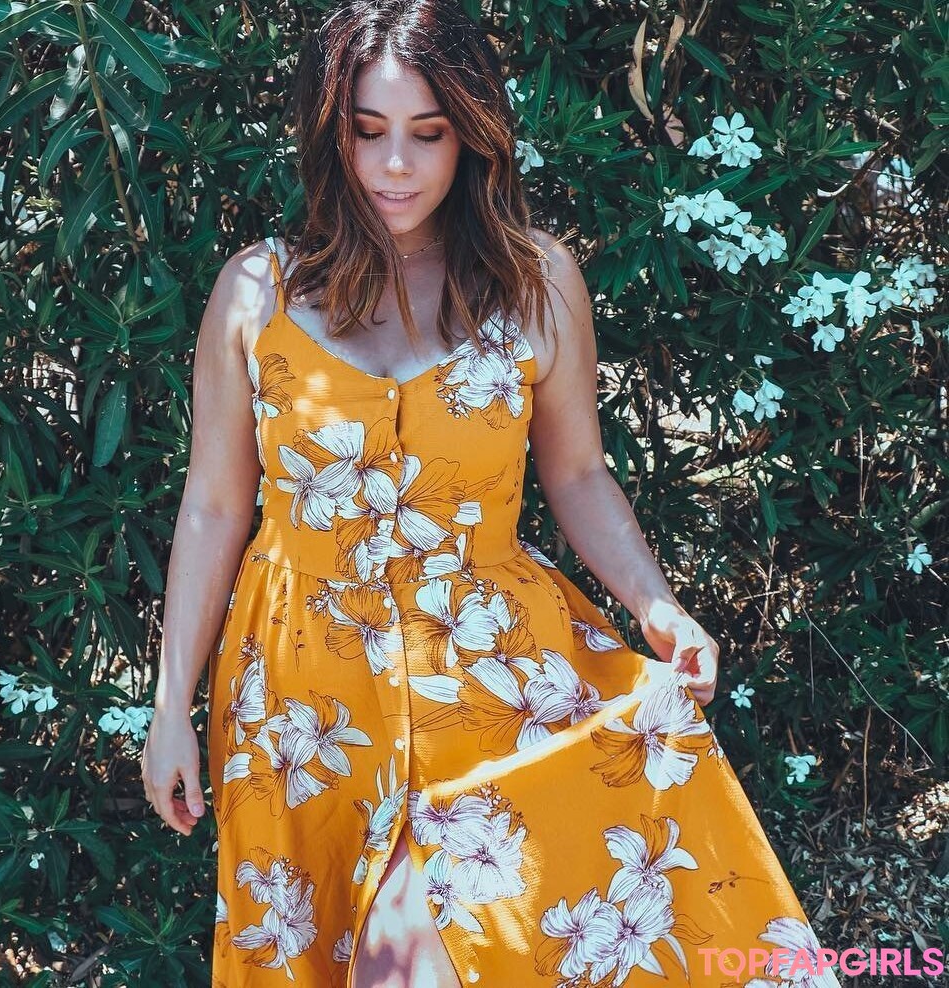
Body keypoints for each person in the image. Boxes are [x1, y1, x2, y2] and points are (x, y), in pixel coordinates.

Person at [142, 1, 843, 986]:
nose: (395, 166)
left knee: (452, 959)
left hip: (492, 670)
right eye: (368, 131)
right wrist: (169, 704)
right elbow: (215, 506)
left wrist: (655, 604)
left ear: (472, 134)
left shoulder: (534, 281)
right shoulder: (257, 293)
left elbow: (578, 473)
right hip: (304, 695)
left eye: (428, 134)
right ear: (330, 131)